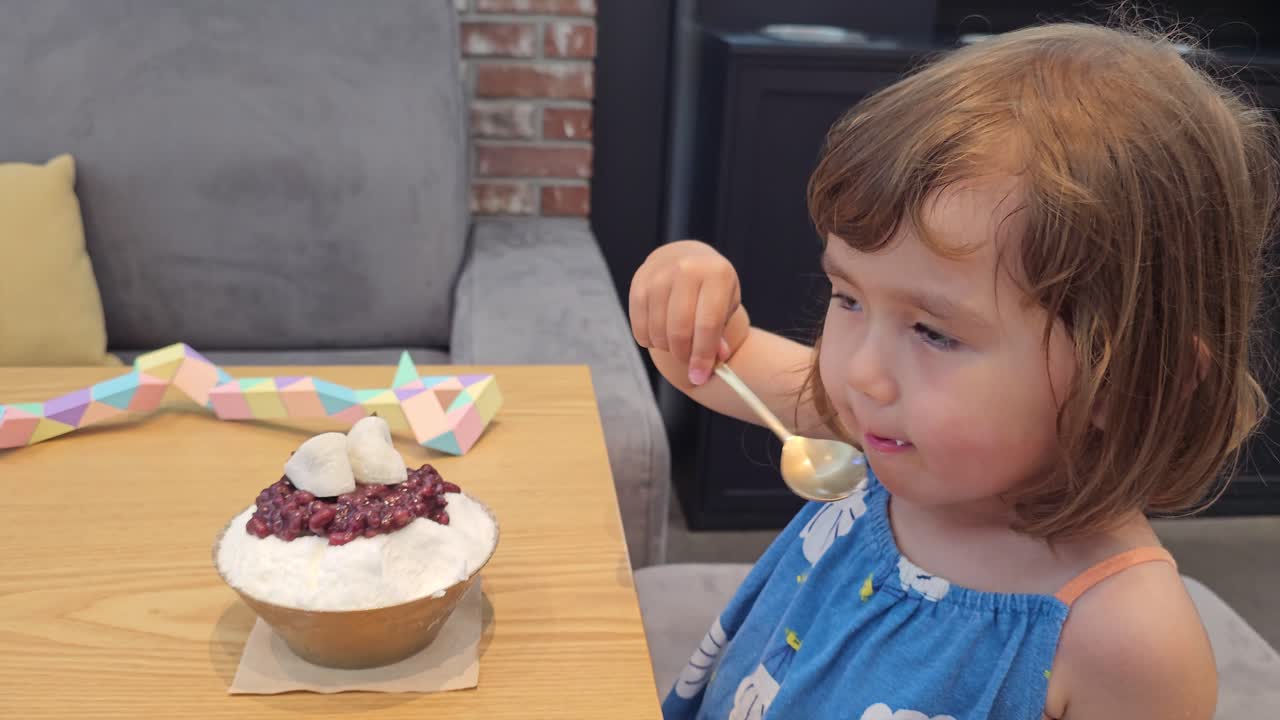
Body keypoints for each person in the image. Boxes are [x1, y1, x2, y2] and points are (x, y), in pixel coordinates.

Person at [630, 21, 1279, 720]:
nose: (860, 374)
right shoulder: (874, 433)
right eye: (848, 297)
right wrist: (685, 286)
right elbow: (701, 362)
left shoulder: (1130, 639)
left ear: (1129, 382)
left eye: (933, 333)